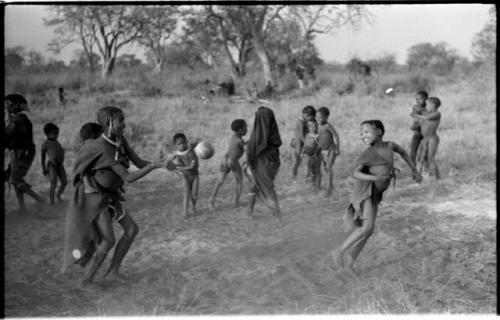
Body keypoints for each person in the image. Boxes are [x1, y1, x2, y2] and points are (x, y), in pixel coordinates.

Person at [61, 106, 165, 288]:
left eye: (124, 119)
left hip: (109, 197)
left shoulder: (119, 140)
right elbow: (129, 177)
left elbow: (139, 163)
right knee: (108, 240)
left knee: (132, 230)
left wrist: (164, 165)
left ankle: (112, 272)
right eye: (121, 121)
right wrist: (154, 166)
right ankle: (85, 281)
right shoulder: (103, 148)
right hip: (95, 200)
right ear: (108, 123)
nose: (125, 124)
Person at [331, 120, 421, 278]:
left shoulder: (390, 146)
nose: (362, 135)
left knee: (368, 230)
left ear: (379, 132)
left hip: (375, 193)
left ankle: (348, 265)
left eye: (366, 132)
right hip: (366, 191)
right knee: (366, 229)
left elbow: (404, 152)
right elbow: (355, 173)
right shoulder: (368, 154)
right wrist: (375, 177)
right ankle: (339, 251)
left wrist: (414, 169)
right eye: (361, 133)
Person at [5, 94, 46, 214]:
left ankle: (40, 200)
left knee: (15, 180)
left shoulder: (18, 119)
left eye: (8, 104)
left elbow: (8, 135)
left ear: (16, 105)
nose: (6, 107)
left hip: (22, 152)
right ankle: (22, 208)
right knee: (15, 179)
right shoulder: (20, 118)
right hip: (21, 151)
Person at [247, 106, 282, 223]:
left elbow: (251, 152)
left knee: (267, 189)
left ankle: (277, 216)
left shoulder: (257, 135)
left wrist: (249, 164)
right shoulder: (273, 134)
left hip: (263, 165)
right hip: (269, 164)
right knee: (255, 186)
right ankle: (249, 212)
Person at [209, 119, 248, 209]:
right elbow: (247, 149)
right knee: (239, 181)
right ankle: (236, 202)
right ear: (240, 130)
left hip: (226, 159)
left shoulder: (234, 137)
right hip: (233, 161)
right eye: (245, 128)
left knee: (220, 181)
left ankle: (212, 199)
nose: (247, 129)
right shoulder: (239, 140)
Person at [166, 133, 200, 219]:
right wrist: (187, 167)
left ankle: (193, 208)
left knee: (194, 194)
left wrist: (201, 146)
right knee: (186, 194)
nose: (182, 145)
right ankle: (185, 212)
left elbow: (199, 142)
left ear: (186, 141)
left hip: (195, 176)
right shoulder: (177, 156)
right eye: (179, 144)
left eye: (184, 142)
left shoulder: (191, 147)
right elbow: (171, 166)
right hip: (186, 177)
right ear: (175, 146)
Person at [411, 96, 442, 180]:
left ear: (433, 105)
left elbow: (428, 118)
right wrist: (415, 117)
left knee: (430, 158)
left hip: (432, 138)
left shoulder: (437, 113)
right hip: (424, 139)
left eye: (427, 104)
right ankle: (423, 177)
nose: (426, 106)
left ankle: (437, 178)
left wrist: (417, 115)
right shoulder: (425, 114)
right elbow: (414, 127)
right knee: (421, 158)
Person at [41, 122, 68, 205]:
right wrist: (43, 168)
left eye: (57, 133)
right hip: (52, 166)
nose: (57, 135)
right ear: (47, 134)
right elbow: (43, 157)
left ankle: (58, 195)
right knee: (53, 183)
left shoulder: (56, 141)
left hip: (60, 165)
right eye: (55, 133)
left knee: (64, 182)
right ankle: (52, 202)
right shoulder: (45, 144)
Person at [317, 107, 341, 196]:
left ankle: (328, 189)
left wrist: (338, 148)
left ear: (326, 117)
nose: (318, 119)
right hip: (322, 151)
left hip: (331, 149)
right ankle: (330, 186)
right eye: (317, 117)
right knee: (325, 169)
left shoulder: (327, 126)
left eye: (320, 117)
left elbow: (336, 135)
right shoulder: (317, 125)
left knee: (328, 168)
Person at [291, 105, 316, 180]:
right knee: (296, 162)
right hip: (299, 143)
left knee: (305, 162)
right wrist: (306, 143)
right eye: (311, 118)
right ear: (306, 115)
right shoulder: (300, 122)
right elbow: (301, 135)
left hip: (302, 143)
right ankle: (293, 178)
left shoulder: (305, 120)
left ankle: (307, 178)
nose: (312, 119)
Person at [301, 119, 321, 189]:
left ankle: (315, 186)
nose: (313, 127)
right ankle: (307, 185)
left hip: (314, 156)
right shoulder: (307, 135)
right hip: (306, 156)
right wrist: (302, 153)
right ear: (308, 127)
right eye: (311, 126)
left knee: (315, 172)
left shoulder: (318, 136)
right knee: (307, 171)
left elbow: (319, 146)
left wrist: (316, 154)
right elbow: (305, 145)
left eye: (315, 126)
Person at [409, 91, 428, 164]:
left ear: (426, 99)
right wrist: (413, 126)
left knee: (425, 154)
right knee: (413, 152)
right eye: (416, 99)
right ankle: (414, 170)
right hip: (417, 132)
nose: (417, 101)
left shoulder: (429, 108)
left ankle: (427, 171)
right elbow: (416, 121)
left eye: (420, 99)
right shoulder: (416, 107)